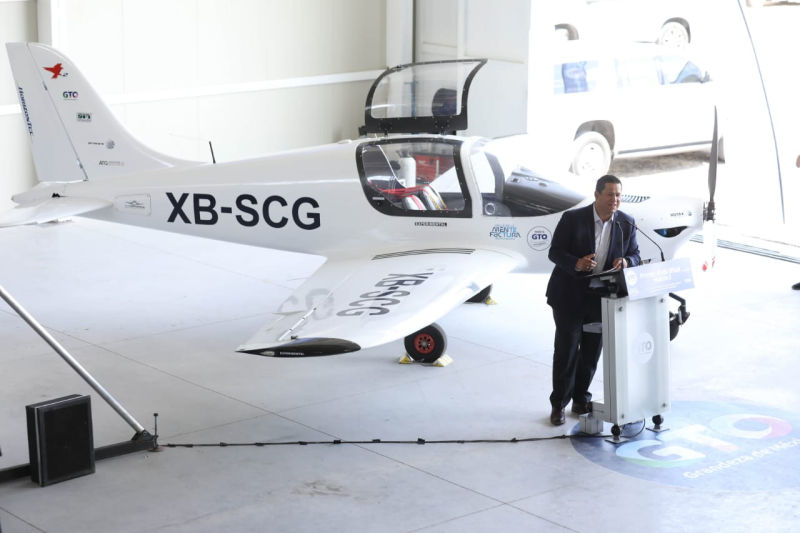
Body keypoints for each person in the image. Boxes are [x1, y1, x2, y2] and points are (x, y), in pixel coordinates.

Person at [545, 174, 641, 425]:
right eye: (610, 194)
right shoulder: (573, 219)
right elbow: (554, 252)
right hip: (569, 295)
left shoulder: (626, 223)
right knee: (566, 351)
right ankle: (559, 405)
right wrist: (576, 263)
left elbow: (636, 254)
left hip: (601, 298)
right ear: (597, 194)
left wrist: (626, 261)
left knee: (591, 351)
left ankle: (580, 398)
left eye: (618, 195)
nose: (615, 200)